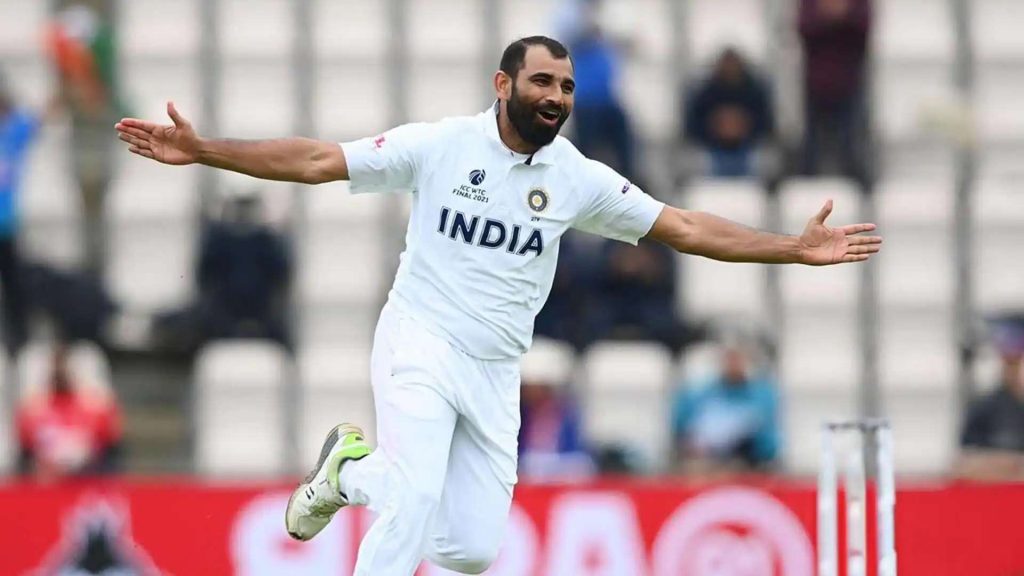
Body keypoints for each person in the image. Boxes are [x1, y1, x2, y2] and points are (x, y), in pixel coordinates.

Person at [114, 36, 882, 576]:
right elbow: (320, 160)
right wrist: (208, 148)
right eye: (543, 82)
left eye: (568, 87)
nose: (557, 97)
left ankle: (347, 475)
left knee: (474, 550)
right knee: (412, 502)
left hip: (493, 368)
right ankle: (367, 481)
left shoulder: (575, 177)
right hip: (419, 337)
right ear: (502, 84)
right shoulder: (442, 145)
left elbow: (681, 226)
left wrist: (790, 245)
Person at [15, 345, 123, 480]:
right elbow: (27, 450)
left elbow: (108, 443)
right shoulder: (33, 411)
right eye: (56, 369)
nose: (60, 374)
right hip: (45, 480)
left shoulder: (94, 408)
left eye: (64, 369)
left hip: (87, 475)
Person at [671, 341, 780, 475]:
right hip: (706, 461)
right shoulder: (700, 394)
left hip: (749, 462)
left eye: (738, 359)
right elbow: (682, 429)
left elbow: (768, 440)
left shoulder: (762, 395)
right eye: (729, 359)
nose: (733, 365)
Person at [798, 0, 872, 188]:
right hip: (816, 83)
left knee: (850, 146)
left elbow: (864, 27)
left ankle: (856, 193)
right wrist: (834, 16)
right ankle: (807, 192)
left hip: (848, 83)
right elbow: (803, 27)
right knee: (811, 150)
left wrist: (839, 15)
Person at [683, 48, 774, 178]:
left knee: (762, 161)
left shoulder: (754, 92)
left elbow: (765, 122)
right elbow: (693, 124)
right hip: (712, 147)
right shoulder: (706, 93)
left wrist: (744, 126)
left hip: (748, 147)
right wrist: (715, 126)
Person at [956, 319, 1024, 481]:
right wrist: (1010, 465)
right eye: (1010, 361)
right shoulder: (985, 407)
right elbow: (963, 465)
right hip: (998, 496)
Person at [0, 72, 37, 356]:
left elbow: (40, 115)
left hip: (6, 226)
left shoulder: (13, 132)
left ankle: (20, 338)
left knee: (14, 286)